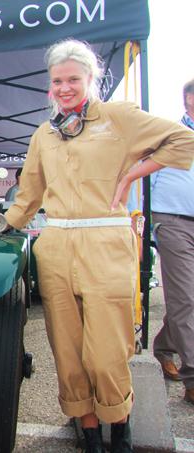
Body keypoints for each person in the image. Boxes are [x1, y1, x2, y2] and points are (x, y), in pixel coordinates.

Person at [0, 40, 194, 452]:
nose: (65, 87)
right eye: (57, 81)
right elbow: (28, 195)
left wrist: (134, 174)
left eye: (73, 79)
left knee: (107, 354)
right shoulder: (44, 134)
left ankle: (119, 429)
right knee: (68, 353)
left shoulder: (119, 118)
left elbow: (184, 141)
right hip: (56, 248)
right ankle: (89, 432)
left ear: (91, 78)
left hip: (106, 244)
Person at [151, 77, 194, 405]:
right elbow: (144, 177)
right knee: (185, 298)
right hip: (173, 220)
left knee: (187, 299)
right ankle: (192, 377)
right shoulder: (169, 135)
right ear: (187, 101)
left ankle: (165, 346)